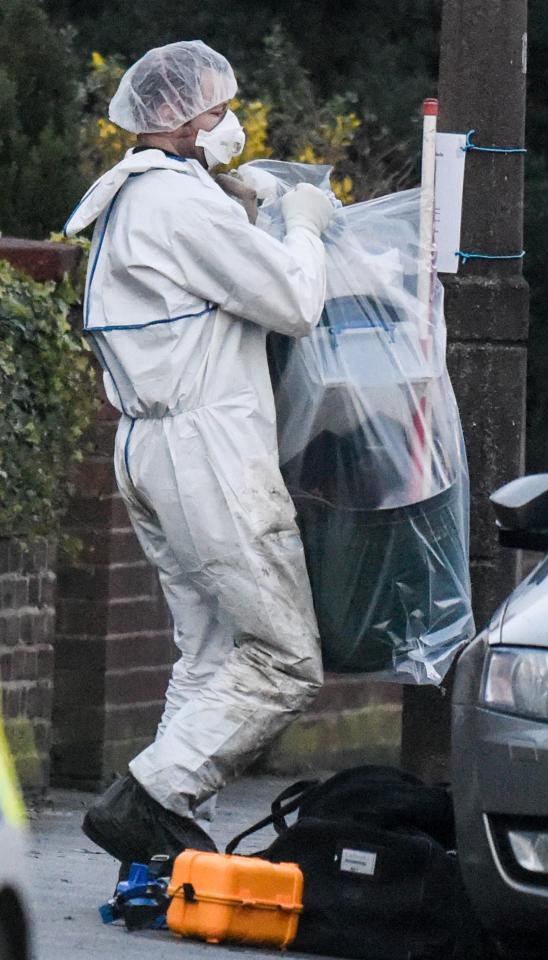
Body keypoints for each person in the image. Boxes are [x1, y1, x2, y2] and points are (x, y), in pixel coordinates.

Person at [64, 40, 335, 866]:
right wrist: (300, 226)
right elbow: (291, 300)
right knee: (287, 660)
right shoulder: (179, 204)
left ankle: (160, 847)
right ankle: (151, 798)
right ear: (188, 117)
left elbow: (204, 292)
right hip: (206, 449)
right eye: (222, 110)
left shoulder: (131, 199)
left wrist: (244, 204)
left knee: (212, 652)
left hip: (150, 446)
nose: (232, 124)